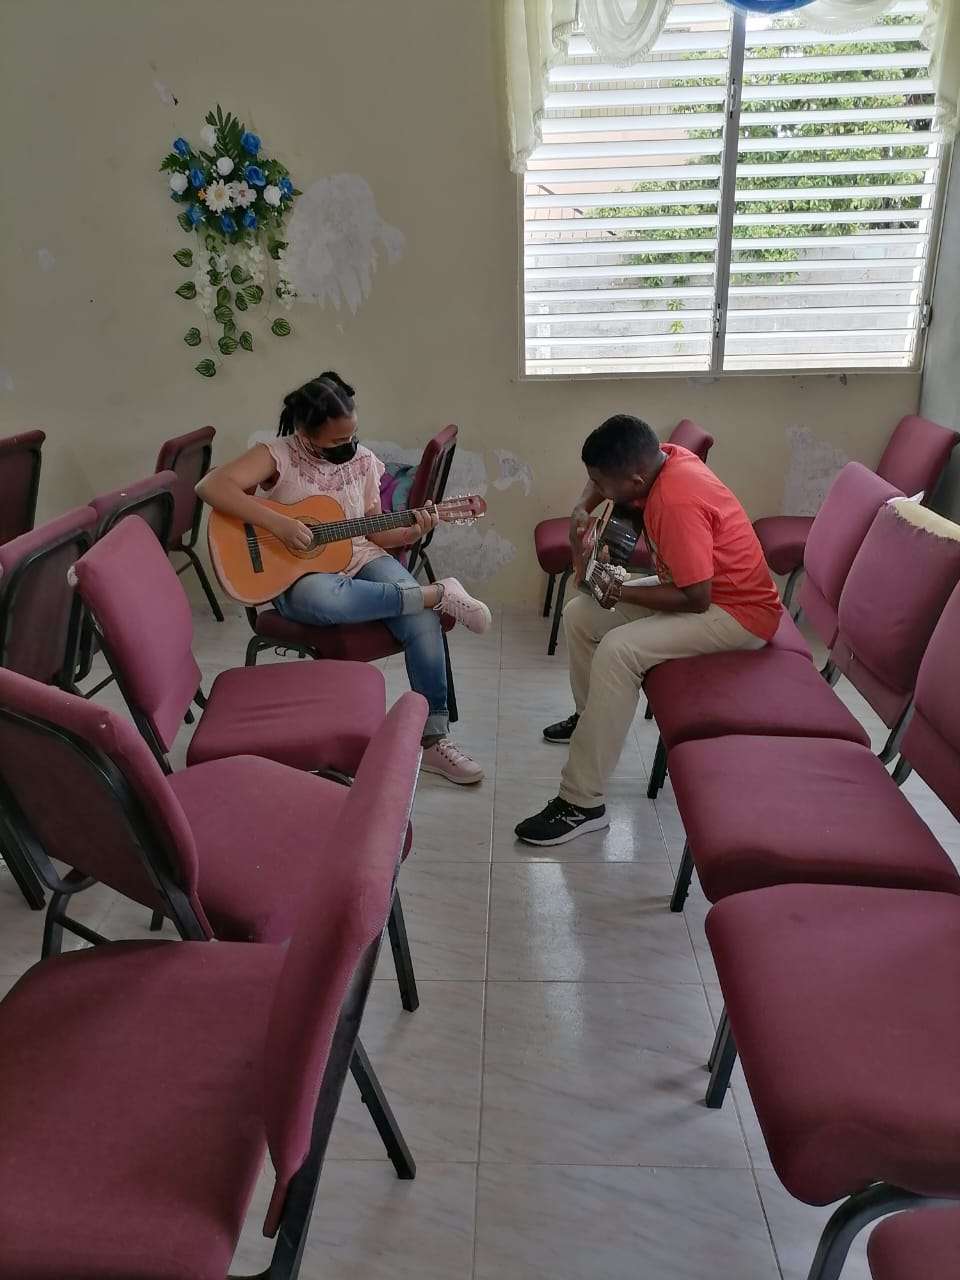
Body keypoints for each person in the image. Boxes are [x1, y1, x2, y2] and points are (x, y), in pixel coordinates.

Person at [197, 371, 490, 784]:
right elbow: (211, 486)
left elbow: (373, 529)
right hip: (296, 574)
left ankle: (434, 739)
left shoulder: (364, 461)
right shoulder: (277, 455)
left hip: (359, 556)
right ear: (305, 431)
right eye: (336, 441)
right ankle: (436, 593)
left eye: (351, 436)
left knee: (420, 617)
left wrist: (413, 529)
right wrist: (278, 524)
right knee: (325, 599)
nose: (348, 447)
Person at [515, 414, 782, 845]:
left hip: (738, 613)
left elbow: (695, 597)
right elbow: (608, 483)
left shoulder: (675, 502)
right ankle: (591, 722)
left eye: (604, 486)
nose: (600, 492)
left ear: (637, 480)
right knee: (581, 614)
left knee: (620, 649)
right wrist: (584, 507)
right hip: (705, 593)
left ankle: (582, 803)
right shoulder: (669, 456)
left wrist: (620, 590)